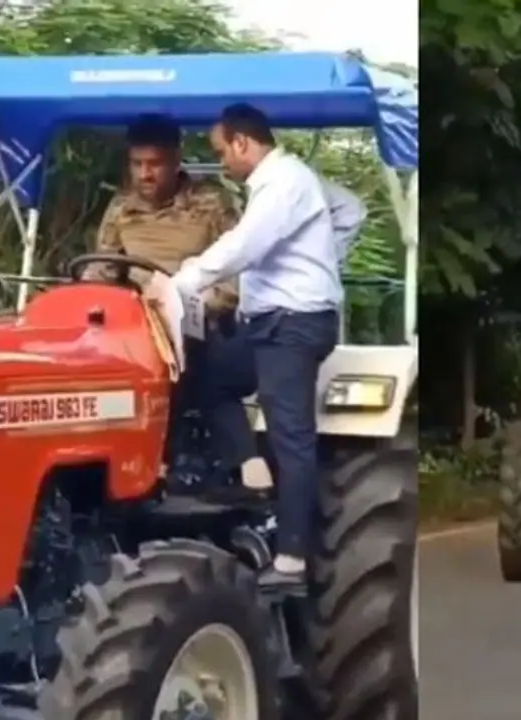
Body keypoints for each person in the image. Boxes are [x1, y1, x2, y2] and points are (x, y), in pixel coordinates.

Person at [166, 103, 365, 590]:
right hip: (269, 323)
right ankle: (248, 470)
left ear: (242, 142)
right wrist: (322, 260)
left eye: (222, 152)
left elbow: (243, 247)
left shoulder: (282, 183)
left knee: (290, 435)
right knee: (210, 380)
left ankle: (293, 559)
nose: (222, 162)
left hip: (291, 325)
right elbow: (350, 209)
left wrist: (182, 282)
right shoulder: (294, 180)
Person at [84, 115, 271, 491]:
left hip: (204, 320)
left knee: (196, 360)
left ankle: (232, 462)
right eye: (137, 164)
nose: (145, 174)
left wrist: (200, 305)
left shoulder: (211, 202)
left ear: (175, 161)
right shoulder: (121, 209)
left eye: (154, 164)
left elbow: (238, 271)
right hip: (137, 324)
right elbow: (103, 270)